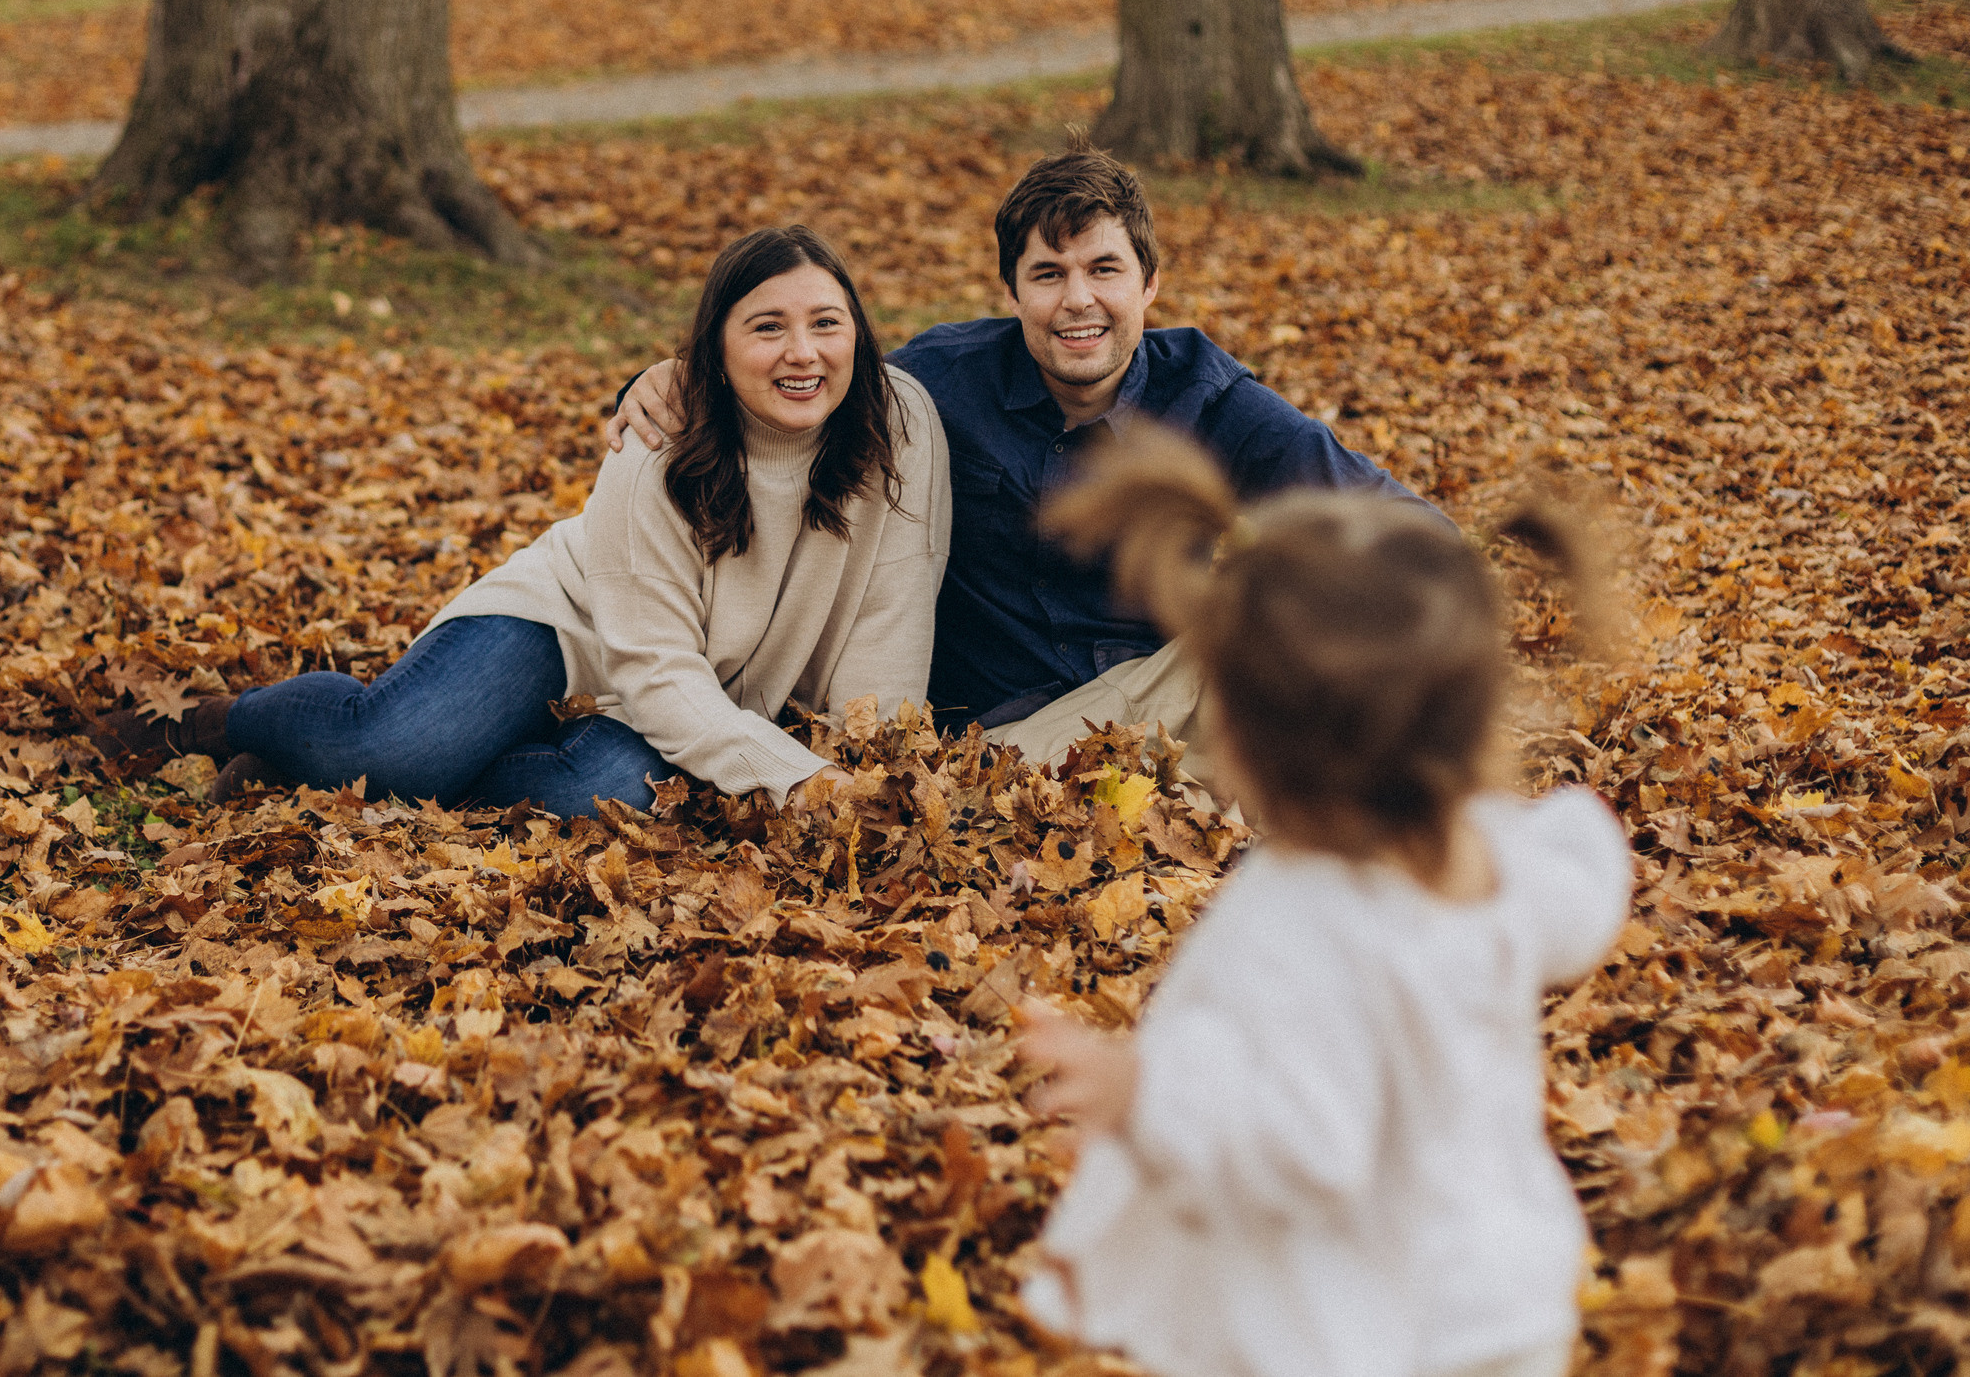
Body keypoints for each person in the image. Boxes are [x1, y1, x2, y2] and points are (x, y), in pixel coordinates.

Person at [1016, 424, 1633, 1377]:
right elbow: (1579, 892)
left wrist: (1146, 1095)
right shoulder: (1499, 856)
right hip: (1505, 1287)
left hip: (1363, 1322)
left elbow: (1307, 1144)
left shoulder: (1300, 923)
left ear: (1251, 742)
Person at [607, 147, 1421, 770]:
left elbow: (1414, 534)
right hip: (993, 738)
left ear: (1150, 286)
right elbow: (804, 379)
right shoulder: (938, 384)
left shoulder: (1209, 401)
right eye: (1048, 274)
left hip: (1155, 702)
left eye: (1105, 270)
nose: (1077, 300)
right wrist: (673, 376)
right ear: (1012, 292)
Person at [97, 226, 948, 820]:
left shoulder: (899, 423)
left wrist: (868, 770)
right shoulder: (656, 446)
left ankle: (313, 774)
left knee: (604, 792)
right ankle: (220, 721)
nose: (803, 353)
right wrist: (799, 782)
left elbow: (894, 615)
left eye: (825, 324)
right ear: (713, 352)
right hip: (570, 626)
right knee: (396, 746)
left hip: (703, 690)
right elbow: (652, 672)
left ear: (858, 335)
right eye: (768, 328)